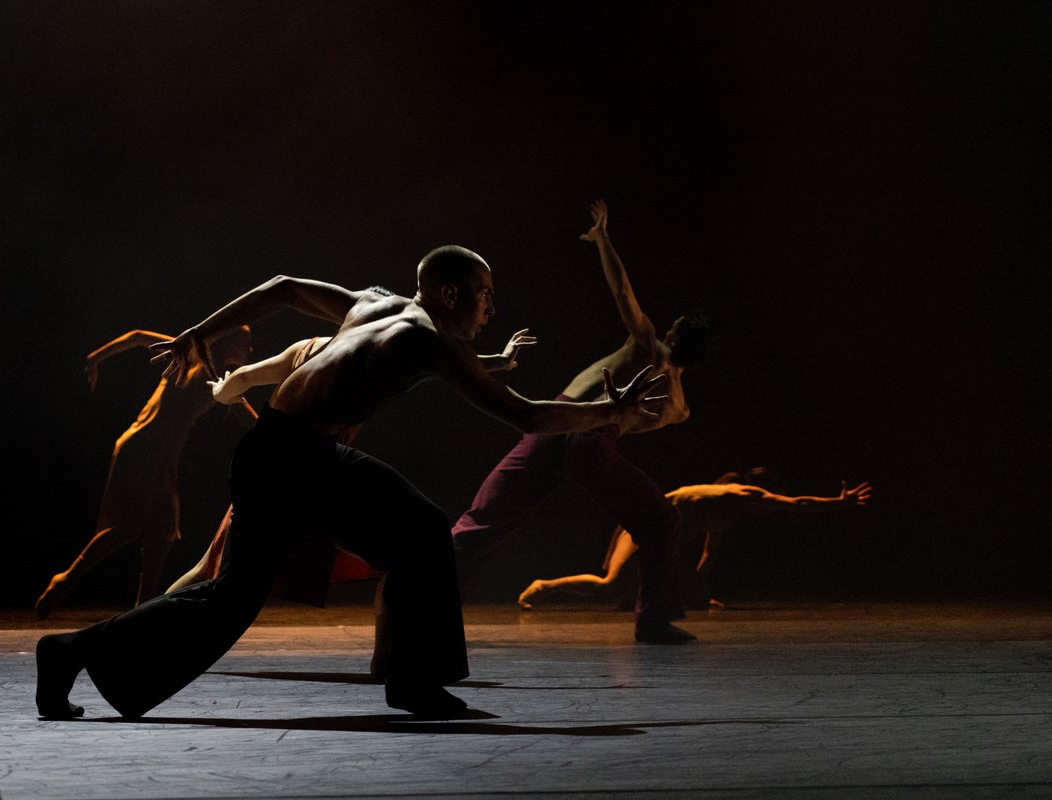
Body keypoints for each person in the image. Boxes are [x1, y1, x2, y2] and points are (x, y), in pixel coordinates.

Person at [35, 245, 666, 721]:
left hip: (283, 452)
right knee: (252, 590)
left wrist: (201, 330)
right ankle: (414, 682)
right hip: (295, 460)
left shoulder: (375, 303)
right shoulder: (429, 341)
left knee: (405, 534)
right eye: (483, 295)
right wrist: (614, 413)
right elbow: (526, 414)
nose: (490, 308)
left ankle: (70, 653)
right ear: (448, 294)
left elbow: (282, 287)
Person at [451, 200, 710, 642]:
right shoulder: (680, 407)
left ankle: (419, 587)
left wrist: (603, 239)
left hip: (560, 423)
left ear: (672, 335)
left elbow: (622, 293)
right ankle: (653, 619)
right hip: (594, 443)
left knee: (483, 519)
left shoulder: (647, 345)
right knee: (661, 520)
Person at [164, 328, 538, 597]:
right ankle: (147, 628)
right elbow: (244, 378)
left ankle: (388, 658)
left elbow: (438, 363)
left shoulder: (353, 355)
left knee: (395, 553)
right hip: (287, 477)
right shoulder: (324, 352)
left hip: (307, 480)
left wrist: (500, 362)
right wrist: (221, 390)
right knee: (217, 570)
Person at [35, 326, 255, 619]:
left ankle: (143, 605)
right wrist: (282, 436)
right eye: (246, 343)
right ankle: (66, 579)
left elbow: (139, 336)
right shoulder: (212, 373)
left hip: (157, 449)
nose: (250, 350)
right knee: (127, 527)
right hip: (144, 446)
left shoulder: (188, 355)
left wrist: (96, 358)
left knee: (163, 529)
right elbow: (242, 409)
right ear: (227, 344)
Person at [517, 473, 873, 609]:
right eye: (769, 503)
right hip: (641, 522)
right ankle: (544, 586)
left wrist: (703, 596)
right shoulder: (739, 494)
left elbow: (705, 558)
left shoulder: (726, 517)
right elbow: (797, 503)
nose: (769, 511)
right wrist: (838, 503)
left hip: (657, 533)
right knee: (612, 586)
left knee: (624, 593)